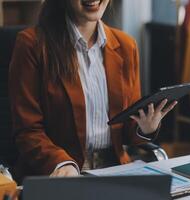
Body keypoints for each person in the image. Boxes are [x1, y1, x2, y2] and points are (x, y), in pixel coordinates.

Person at [9, 0, 177, 180]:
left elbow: (128, 128)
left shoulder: (127, 46)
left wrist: (145, 127)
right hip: (59, 174)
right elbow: (28, 131)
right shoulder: (32, 45)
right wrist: (62, 164)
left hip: (115, 172)